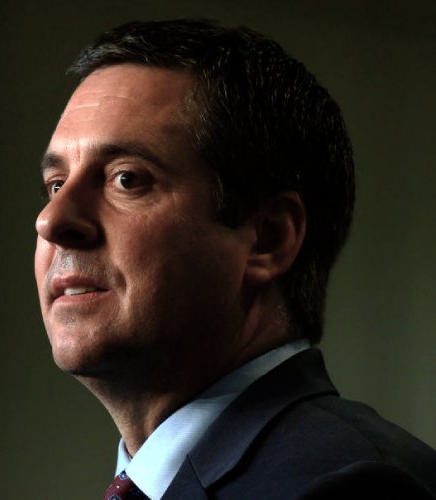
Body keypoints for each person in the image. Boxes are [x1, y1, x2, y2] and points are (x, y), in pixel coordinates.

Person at [34, 19, 436, 499]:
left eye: (127, 179)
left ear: (267, 239)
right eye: (56, 185)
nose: (51, 220)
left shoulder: (349, 488)